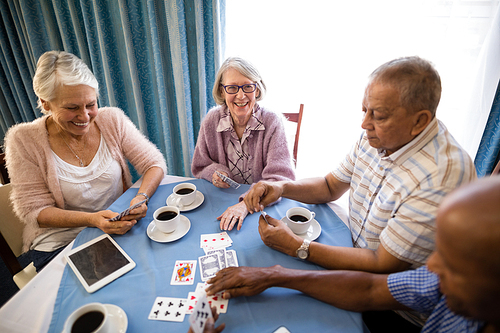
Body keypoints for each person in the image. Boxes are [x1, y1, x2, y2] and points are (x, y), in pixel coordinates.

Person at [243, 56, 476, 275]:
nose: (364, 124)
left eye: (379, 116)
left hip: (391, 302)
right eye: (365, 110)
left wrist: (297, 247)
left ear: (420, 121)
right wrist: (282, 188)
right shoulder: (380, 135)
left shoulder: (442, 176)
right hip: (351, 254)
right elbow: (329, 186)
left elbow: (382, 263)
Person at [207, 176, 500, 333]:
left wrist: (295, 248)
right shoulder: (440, 283)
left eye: (452, 264)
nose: (430, 265)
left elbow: (380, 267)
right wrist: (275, 274)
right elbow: (371, 289)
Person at [4, 51, 167, 272]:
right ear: (45, 104)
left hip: (116, 229)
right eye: (72, 108)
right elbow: (35, 212)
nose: (84, 116)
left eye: (90, 104)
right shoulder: (22, 140)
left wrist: (141, 196)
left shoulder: (112, 119)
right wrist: (93, 220)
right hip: (61, 243)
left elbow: (154, 163)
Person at [191, 57, 295, 231]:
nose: (241, 95)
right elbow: (200, 166)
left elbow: (281, 180)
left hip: (262, 208)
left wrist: (246, 205)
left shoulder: (273, 122)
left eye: (247, 86)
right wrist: (215, 173)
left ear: (257, 89)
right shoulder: (211, 121)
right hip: (220, 202)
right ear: (222, 91)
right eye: (232, 88)